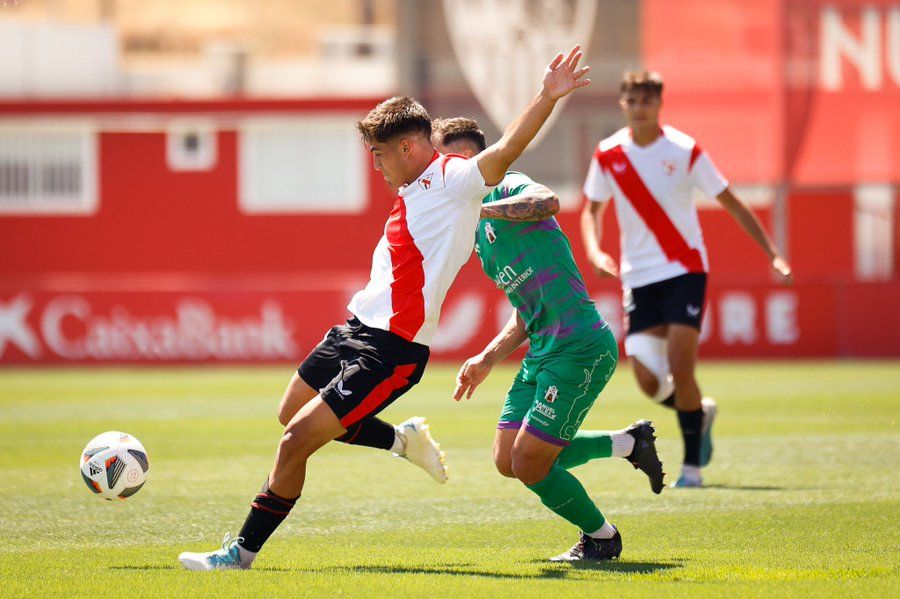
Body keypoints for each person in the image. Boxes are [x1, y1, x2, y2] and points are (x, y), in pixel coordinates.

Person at [178, 45, 592, 570]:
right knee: (290, 414)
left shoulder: (454, 179)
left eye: (379, 154)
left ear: (410, 146)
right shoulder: (411, 183)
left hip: (392, 349)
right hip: (353, 329)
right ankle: (402, 439)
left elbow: (507, 148)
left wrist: (546, 94)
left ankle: (239, 554)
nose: (374, 165)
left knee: (294, 441)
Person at [433, 117, 664, 563]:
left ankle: (602, 538)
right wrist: (486, 357)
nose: (446, 173)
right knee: (508, 460)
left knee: (531, 463)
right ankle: (629, 444)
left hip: (579, 345)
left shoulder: (505, 188)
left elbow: (548, 199)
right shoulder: (479, 239)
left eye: (451, 161)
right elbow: (525, 311)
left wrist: (481, 207)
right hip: (542, 350)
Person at [580, 70, 792, 488]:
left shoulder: (685, 150)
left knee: (680, 362)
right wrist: (594, 251)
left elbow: (729, 201)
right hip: (638, 275)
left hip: (684, 267)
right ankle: (700, 413)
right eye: (632, 100)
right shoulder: (607, 154)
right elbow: (591, 211)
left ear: (659, 104)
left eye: (647, 100)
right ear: (623, 104)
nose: (639, 108)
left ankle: (691, 468)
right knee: (647, 381)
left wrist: (773, 254)